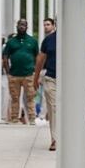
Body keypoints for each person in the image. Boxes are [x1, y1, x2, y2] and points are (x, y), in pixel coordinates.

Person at [4, 19, 39, 124]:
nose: (22, 26)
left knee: (30, 97)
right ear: (17, 26)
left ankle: (32, 118)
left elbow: (37, 57)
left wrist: (36, 72)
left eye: (24, 25)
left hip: (29, 74)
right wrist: (8, 73)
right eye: (20, 24)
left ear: (27, 27)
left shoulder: (33, 41)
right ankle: (14, 118)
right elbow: (5, 58)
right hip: (14, 75)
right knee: (14, 98)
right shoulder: (11, 42)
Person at [32, 18, 58, 150]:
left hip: (70, 80)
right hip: (51, 78)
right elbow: (40, 59)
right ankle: (55, 139)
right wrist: (36, 77)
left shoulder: (74, 39)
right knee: (54, 108)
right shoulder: (49, 40)